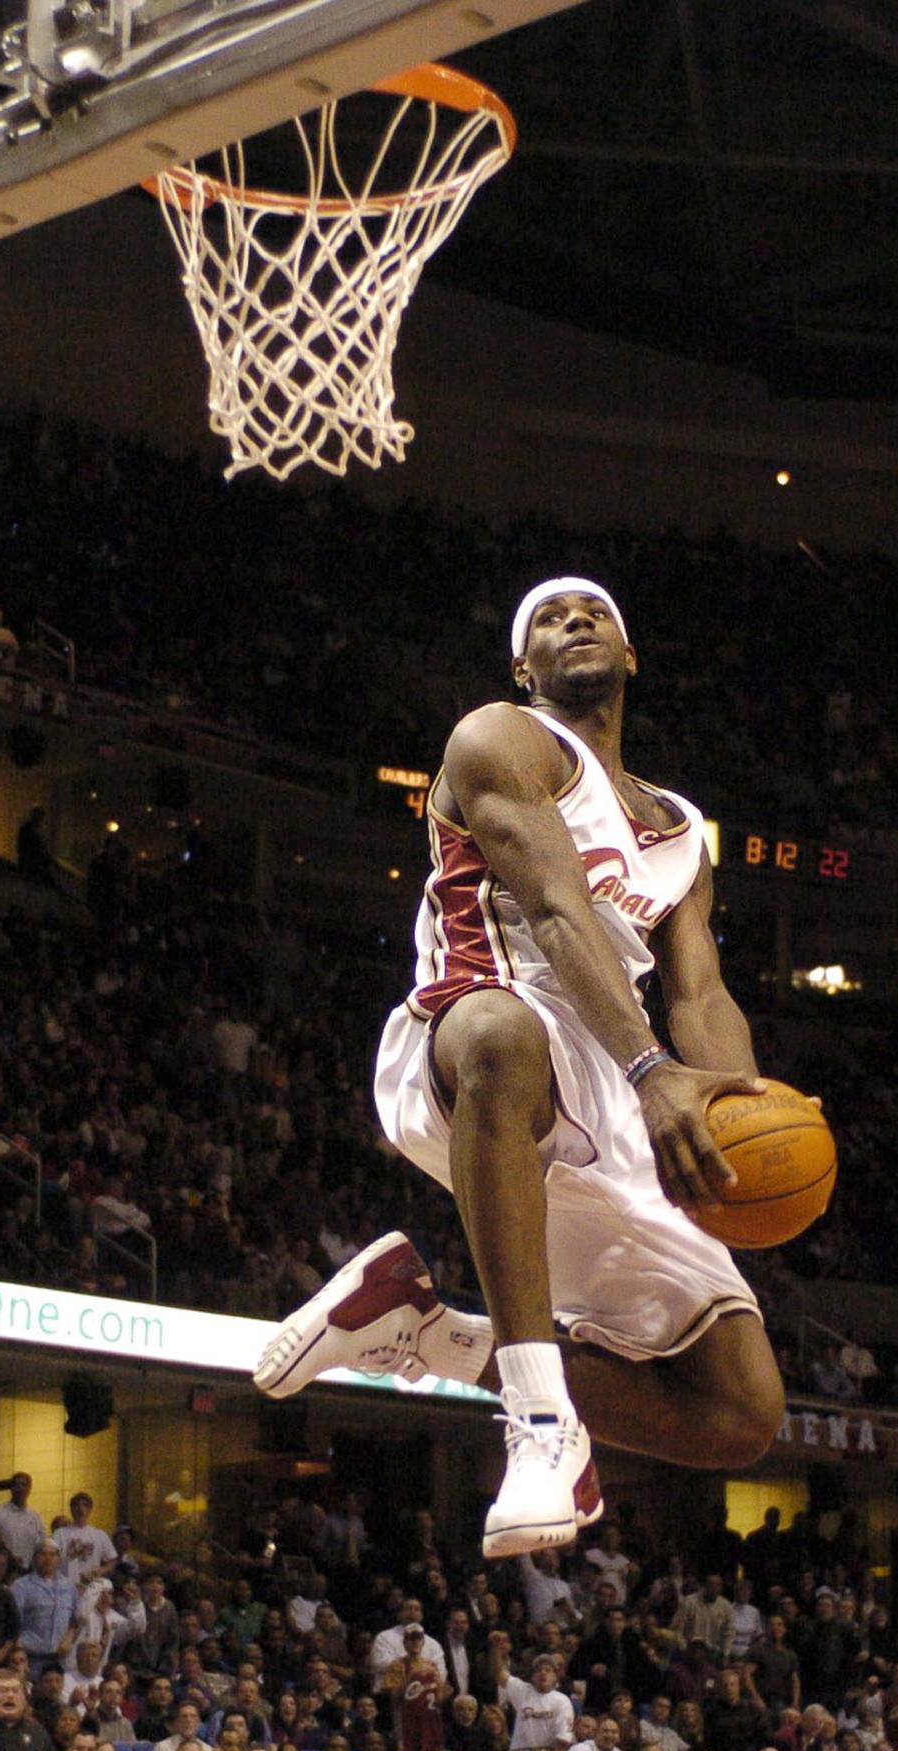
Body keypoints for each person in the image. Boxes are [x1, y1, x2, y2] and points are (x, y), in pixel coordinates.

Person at [254, 577, 785, 1556]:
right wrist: (648, 1069)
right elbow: (552, 907)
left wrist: (737, 1116)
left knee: (737, 1414)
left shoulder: (677, 829)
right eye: (547, 617)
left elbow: (700, 996)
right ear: (520, 666)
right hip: (474, 1045)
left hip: (614, 1093)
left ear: (629, 656)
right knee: (503, 1033)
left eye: (595, 613)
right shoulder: (497, 739)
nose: (573, 620)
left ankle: (431, 1330)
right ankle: (540, 1426)